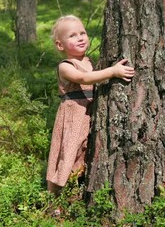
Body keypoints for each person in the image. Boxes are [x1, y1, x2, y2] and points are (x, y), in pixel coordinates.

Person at [46, 15, 135, 197]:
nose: (80, 38)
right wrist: (113, 71)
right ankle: (53, 195)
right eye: (72, 35)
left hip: (88, 114)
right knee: (67, 152)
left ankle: (75, 193)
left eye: (82, 33)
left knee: (85, 153)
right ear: (60, 45)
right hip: (72, 116)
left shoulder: (90, 61)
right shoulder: (66, 66)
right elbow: (84, 78)